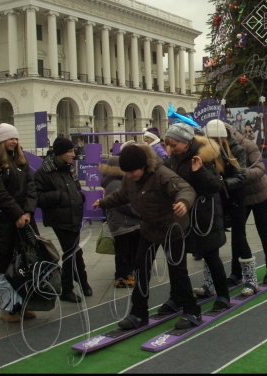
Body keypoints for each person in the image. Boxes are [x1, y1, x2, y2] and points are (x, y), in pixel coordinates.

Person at [93, 144, 202, 331]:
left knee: (178, 271)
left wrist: (183, 202)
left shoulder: (162, 174)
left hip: (171, 228)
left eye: (132, 172)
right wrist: (103, 202)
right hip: (149, 229)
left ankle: (191, 310)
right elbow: (121, 195)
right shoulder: (129, 178)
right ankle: (138, 313)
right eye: (126, 173)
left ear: (143, 166)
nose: (129, 176)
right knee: (141, 269)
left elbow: (186, 189)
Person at [163, 123, 230, 312]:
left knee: (210, 255)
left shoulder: (202, 156)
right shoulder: (173, 159)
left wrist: (198, 171)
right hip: (181, 214)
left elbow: (215, 185)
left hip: (203, 215)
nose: (171, 148)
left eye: (174, 144)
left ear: (186, 142)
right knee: (176, 258)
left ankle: (223, 295)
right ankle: (177, 296)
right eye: (169, 144)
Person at [0, 123, 38, 324]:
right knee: (5, 264)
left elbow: (31, 186)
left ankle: (21, 304)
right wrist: (17, 214)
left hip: (23, 220)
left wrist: (28, 211)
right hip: (4, 223)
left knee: (25, 263)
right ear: (1, 140)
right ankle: (7, 307)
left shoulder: (21, 160)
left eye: (15, 138)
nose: (14, 141)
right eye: (10, 138)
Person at [35, 137, 91, 304]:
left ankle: (82, 282)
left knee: (75, 251)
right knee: (71, 253)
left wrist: (79, 197)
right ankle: (68, 288)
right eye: (70, 151)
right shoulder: (44, 172)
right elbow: (37, 197)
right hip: (59, 218)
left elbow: (76, 188)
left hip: (74, 215)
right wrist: (57, 196)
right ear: (60, 153)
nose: (74, 154)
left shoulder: (69, 169)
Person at [206, 120, 258, 295]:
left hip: (235, 198)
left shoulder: (237, 150)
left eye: (214, 138)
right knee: (210, 240)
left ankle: (251, 280)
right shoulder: (207, 150)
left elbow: (241, 176)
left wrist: (223, 184)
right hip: (217, 199)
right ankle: (209, 282)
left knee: (239, 237)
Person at [229, 124, 267, 285]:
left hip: (259, 194)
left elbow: (260, 169)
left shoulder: (248, 145)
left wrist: (242, 173)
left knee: (263, 230)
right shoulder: (220, 149)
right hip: (240, 196)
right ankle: (235, 273)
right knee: (237, 234)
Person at [99, 156, 139, 289]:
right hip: (123, 223)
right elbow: (123, 204)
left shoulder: (114, 181)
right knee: (124, 251)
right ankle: (122, 277)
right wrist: (139, 212)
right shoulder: (116, 183)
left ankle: (126, 275)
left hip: (122, 222)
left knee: (126, 250)